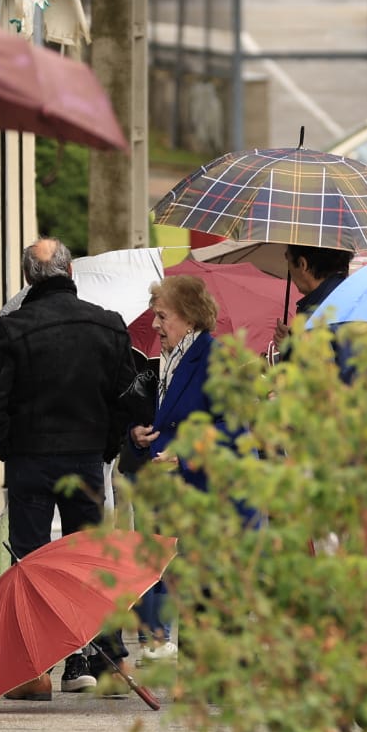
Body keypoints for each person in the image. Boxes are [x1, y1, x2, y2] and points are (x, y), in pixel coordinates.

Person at [0, 237, 143, 696]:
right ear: (70, 273)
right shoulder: (108, 325)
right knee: (91, 561)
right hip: (85, 458)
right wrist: (105, 445)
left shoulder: (12, 329)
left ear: (28, 277)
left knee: (31, 565)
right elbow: (128, 396)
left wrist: (10, 448)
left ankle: (34, 671)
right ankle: (107, 663)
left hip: (29, 460)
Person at [127, 274, 220, 656]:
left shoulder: (213, 358)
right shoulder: (170, 359)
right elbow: (165, 419)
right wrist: (138, 436)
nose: (154, 324)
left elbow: (232, 430)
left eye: (162, 316)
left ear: (189, 317)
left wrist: (186, 454)